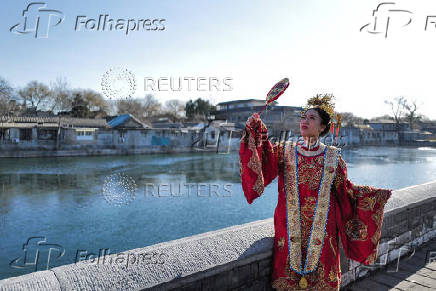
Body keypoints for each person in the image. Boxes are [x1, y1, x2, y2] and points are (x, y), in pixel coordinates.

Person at [239, 94, 392, 290]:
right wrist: (255, 130)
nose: (305, 121)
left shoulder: (333, 158)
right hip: (288, 227)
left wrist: (373, 197)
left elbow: (345, 193)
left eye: (312, 118)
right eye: (304, 117)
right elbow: (264, 161)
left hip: (324, 232)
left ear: (322, 127)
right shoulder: (284, 151)